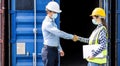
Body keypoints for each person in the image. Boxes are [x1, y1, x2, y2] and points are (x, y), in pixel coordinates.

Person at [41, 1, 78, 66]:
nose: (56, 14)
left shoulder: (53, 23)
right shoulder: (47, 24)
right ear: (49, 11)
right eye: (55, 12)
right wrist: (72, 37)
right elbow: (59, 33)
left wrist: (59, 49)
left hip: (54, 50)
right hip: (49, 51)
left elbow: (55, 38)